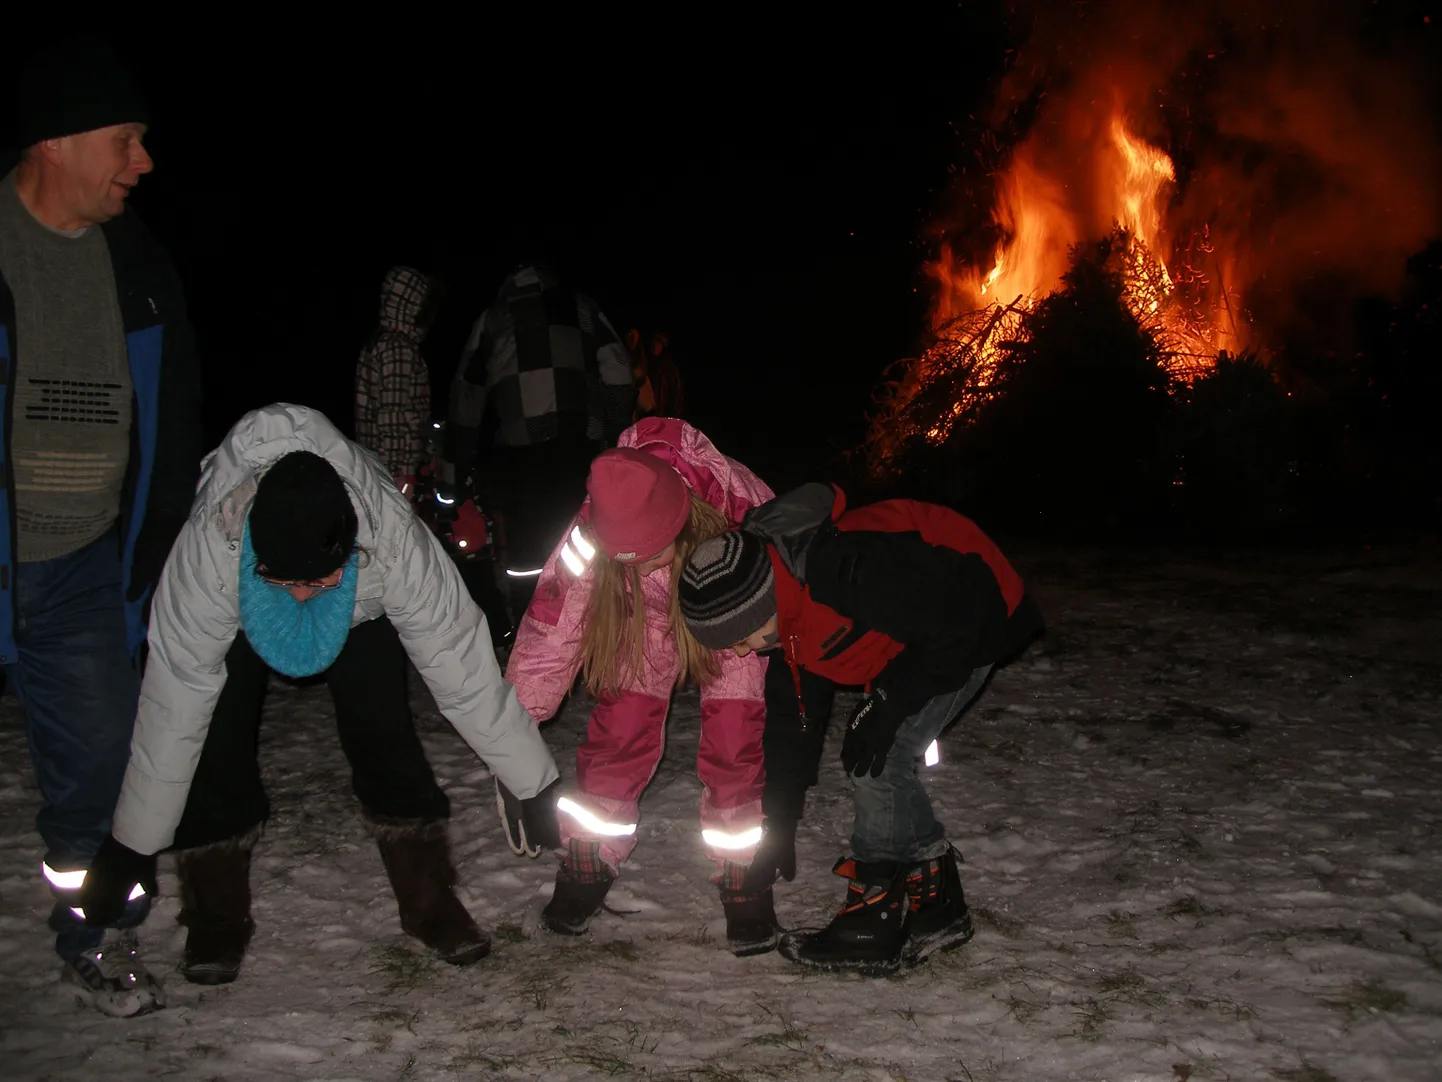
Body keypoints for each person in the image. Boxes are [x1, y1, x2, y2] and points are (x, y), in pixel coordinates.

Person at [76, 404, 562, 989]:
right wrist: (134, 840)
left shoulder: (391, 538)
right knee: (215, 739)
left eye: (319, 581)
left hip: (365, 606)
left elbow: (461, 666)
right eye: (290, 584)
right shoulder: (212, 548)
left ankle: (429, 902)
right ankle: (215, 913)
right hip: (241, 603)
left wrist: (532, 780)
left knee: (383, 729)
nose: (304, 598)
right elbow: (172, 700)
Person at [0, 39, 203, 1017]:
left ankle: (98, 935)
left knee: (109, 764)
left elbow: (174, 418)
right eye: (126, 140)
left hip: (84, 565)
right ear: (59, 139)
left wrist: (156, 543)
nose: (142, 162)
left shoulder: (139, 265)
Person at [678, 482, 1043, 973]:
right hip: (919, 637)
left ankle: (874, 917)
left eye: (741, 638)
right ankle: (937, 904)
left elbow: (954, 625)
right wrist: (779, 822)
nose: (742, 652)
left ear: (764, 604)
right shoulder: (784, 624)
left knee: (880, 759)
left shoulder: (847, 570)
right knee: (876, 752)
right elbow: (794, 723)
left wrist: (889, 702)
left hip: (974, 616)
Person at [499, 417, 778, 955]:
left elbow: (791, 570)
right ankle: (588, 858)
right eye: (626, 558)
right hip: (637, 617)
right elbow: (550, 628)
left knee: (734, 739)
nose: (642, 564)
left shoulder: (737, 501)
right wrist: (512, 733)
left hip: (726, 607)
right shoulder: (589, 535)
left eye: (651, 554)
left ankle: (743, 872)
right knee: (618, 730)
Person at [444, 263, 635, 615]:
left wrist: (453, 468)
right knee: (584, 547)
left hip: (520, 457)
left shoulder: (494, 317)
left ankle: (531, 646)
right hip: (579, 451)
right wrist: (615, 435)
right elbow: (619, 372)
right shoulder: (583, 306)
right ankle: (591, 637)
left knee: (527, 559)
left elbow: (466, 396)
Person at [354, 266, 438, 498]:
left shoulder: (379, 342)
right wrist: (400, 478)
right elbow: (392, 415)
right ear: (412, 304)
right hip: (393, 475)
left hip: (376, 468)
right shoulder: (398, 348)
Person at [625, 328, 684, 422]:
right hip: (642, 418)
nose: (655, 345)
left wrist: (672, 418)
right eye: (654, 341)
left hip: (661, 418)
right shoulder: (642, 365)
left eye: (659, 342)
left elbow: (675, 397)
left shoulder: (669, 370)